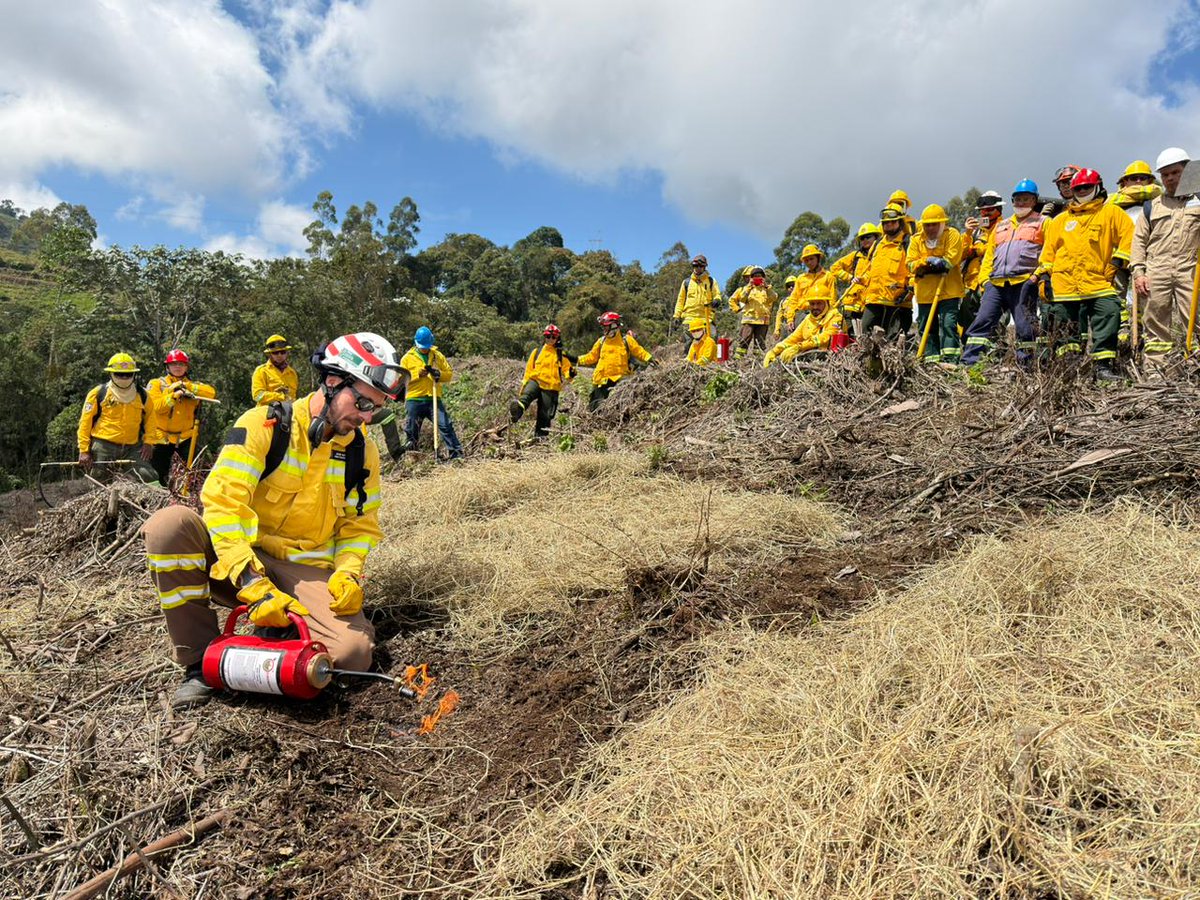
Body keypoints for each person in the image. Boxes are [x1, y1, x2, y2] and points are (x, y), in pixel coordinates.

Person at [143, 332, 406, 707]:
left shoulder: (362, 452)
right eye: (362, 402)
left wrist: (348, 572)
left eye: (374, 409)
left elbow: (358, 526)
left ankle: (276, 634)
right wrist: (251, 581)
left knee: (351, 656)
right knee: (168, 528)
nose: (365, 417)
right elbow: (222, 504)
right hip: (239, 560)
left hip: (304, 568)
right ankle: (200, 663)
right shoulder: (264, 426)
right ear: (332, 382)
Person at [1037, 168, 1133, 381]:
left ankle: (1102, 367)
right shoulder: (1060, 220)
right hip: (1064, 285)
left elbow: (1129, 237)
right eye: (1078, 188)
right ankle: (1069, 367)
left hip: (1098, 281)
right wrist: (1044, 275)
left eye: (1087, 187)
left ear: (1098, 186)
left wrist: (1118, 261)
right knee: (1064, 326)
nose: (1082, 191)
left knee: (1109, 312)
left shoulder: (1111, 213)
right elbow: (1048, 252)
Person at [961, 180, 1046, 367]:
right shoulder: (1002, 226)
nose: (1021, 203)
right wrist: (985, 281)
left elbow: (1050, 251)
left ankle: (1027, 366)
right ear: (1013, 201)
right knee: (982, 321)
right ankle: (969, 363)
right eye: (1018, 199)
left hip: (1024, 282)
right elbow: (990, 255)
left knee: (1025, 326)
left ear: (1034, 200)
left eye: (1026, 199)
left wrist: (1036, 276)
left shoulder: (1043, 223)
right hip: (996, 284)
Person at [1131, 147, 1200, 361]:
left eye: (1175, 172)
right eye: (1165, 174)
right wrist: (1138, 273)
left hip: (1190, 270)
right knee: (1155, 325)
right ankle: (1156, 371)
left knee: (1196, 322)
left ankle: (1194, 368)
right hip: (1155, 272)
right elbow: (1139, 242)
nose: (1170, 178)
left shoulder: (1199, 203)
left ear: (1187, 171)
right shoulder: (1151, 207)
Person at [77, 352, 157, 483]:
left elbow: (151, 419)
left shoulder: (143, 395)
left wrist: (149, 442)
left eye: (128, 374)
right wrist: (84, 450)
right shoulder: (98, 393)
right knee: (99, 480)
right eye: (119, 374)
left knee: (148, 476)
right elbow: (85, 423)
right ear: (111, 374)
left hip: (132, 446)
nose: (124, 378)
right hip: (104, 445)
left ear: (134, 374)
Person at [145, 349, 217, 486]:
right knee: (156, 474)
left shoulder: (193, 385)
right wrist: (173, 395)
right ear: (167, 367)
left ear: (186, 367)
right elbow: (156, 407)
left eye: (181, 364)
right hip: (161, 437)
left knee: (193, 475)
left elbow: (211, 393)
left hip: (186, 437)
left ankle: (190, 500)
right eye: (174, 364)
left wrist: (187, 386)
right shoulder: (157, 384)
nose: (178, 367)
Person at [907, 204, 964, 365]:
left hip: (949, 291)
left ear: (942, 224)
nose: (930, 228)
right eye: (927, 225)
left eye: (934, 224)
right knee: (926, 328)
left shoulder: (952, 235)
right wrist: (926, 262)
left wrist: (932, 265)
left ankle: (950, 360)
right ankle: (931, 361)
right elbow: (910, 264)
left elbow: (950, 260)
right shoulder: (916, 240)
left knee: (948, 324)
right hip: (925, 293)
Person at [400, 326, 463, 459]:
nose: (424, 348)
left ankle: (456, 456)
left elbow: (449, 374)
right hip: (414, 399)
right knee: (412, 431)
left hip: (433, 398)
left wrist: (438, 374)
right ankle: (413, 458)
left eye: (426, 346)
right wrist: (417, 374)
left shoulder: (437, 355)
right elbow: (401, 379)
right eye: (422, 346)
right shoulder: (406, 358)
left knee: (445, 425)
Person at [577, 311, 655, 410]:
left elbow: (640, 352)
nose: (604, 330)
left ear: (614, 326)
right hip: (601, 382)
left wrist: (651, 359)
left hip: (620, 383)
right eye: (603, 327)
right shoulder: (601, 341)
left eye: (606, 327)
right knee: (594, 412)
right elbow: (591, 357)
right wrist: (576, 360)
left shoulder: (626, 340)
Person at [510, 324, 576, 437]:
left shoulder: (561, 355)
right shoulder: (537, 351)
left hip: (551, 387)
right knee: (526, 395)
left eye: (553, 337)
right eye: (548, 336)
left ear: (557, 338)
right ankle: (517, 412)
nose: (550, 339)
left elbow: (567, 372)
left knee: (545, 415)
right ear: (544, 337)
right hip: (536, 380)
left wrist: (571, 374)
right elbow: (529, 370)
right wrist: (523, 387)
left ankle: (540, 438)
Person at [859, 205, 914, 339]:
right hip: (874, 300)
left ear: (900, 222)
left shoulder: (908, 243)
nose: (889, 225)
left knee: (893, 341)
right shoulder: (877, 244)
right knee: (866, 334)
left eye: (892, 221)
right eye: (885, 222)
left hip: (897, 303)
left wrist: (910, 290)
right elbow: (870, 269)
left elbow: (913, 270)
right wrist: (862, 279)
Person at [960, 191, 1004, 332]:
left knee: (995, 321)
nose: (985, 213)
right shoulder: (975, 232)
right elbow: (960, 255)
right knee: (968, 322)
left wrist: (981, 249)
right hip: (971, 285)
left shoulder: (1005, 228)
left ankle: (996, 351)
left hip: (995, 283)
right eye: (982, 210)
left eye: (990, 210)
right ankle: (970, 350)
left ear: (999, 210)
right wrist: (967, 233)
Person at [762, 293, 844, 367]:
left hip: (829, 356)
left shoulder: (836, 317)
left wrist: (799, 347)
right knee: (784, 355)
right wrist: (774, 351)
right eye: (812, 304)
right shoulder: (808, 319)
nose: (815, 307)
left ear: (826, 302)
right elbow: (793, 338)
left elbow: (825, 337)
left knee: (793, 357)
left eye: (819, 303)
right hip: (812, 354)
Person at [830, 222, 882, 336]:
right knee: (848, 334)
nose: (865, 240)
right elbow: (834, 268)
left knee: (867, 333)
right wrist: (850, 277)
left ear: (876, 237)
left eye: (868, 237)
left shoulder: (881, 257)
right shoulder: (855, 256)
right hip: (851, 303)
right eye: (862, 238)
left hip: (871, 302)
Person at [777, 245, 836, 338]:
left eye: (811, 259)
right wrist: (790, 319)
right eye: (806, 260)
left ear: (818, 258)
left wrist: (830, 316)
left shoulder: (828, 276)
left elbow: (832, 299)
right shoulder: (801, 279)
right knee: (793, 337)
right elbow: (793, 300)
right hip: (803, 314)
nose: (809, 262)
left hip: (822, 314)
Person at [729, 265, 777, 355]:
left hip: (763, 321)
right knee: (744, 339)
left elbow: (774, 298)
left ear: (763, 278)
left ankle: (757, 360)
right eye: (754, 276)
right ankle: (739, 358)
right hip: (749, 319)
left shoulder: (766, 290)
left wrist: (767, 288)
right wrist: (737, 309)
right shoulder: (745, 289)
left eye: (759, 276)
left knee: (760, 343)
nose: (756, 278)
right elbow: (741, 299)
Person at [673, 254, 721, 338]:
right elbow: (680, 301)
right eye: (695, 266)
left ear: (704, 267)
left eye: (700, 266)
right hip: (689, 319)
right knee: (690, 345)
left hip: (706, 319)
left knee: (712, 341)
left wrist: (717, 300)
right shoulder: (686, 282)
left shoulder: (711, 281)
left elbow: (717, 294)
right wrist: (676, 316)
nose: (698, 268)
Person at [252, 335, 299, 406]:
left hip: (289, 411)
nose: (279, 355)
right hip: (266, 412)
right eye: (275, 353)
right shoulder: (261, 371)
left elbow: (293, 397)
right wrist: (279, 396)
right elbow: (257, 396)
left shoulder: (292, 373)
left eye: (282, 352)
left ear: (287, 353)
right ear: (269, 354)